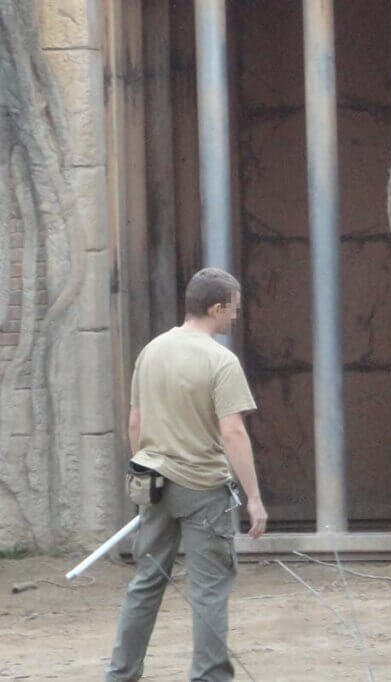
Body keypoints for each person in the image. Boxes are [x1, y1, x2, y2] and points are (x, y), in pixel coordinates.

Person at [106, 267, 268, 682]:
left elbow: (134, 422)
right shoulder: (221, 360)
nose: (235, 317)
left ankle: (121, 674)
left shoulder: (152, 351)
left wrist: (145, 465)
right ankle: (210, 676)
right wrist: (253, 498)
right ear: (216, 308)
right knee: (209, 588)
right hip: (203, 488)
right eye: (232, 309)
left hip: (153, 485)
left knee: (146, 582)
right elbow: (232, 432)